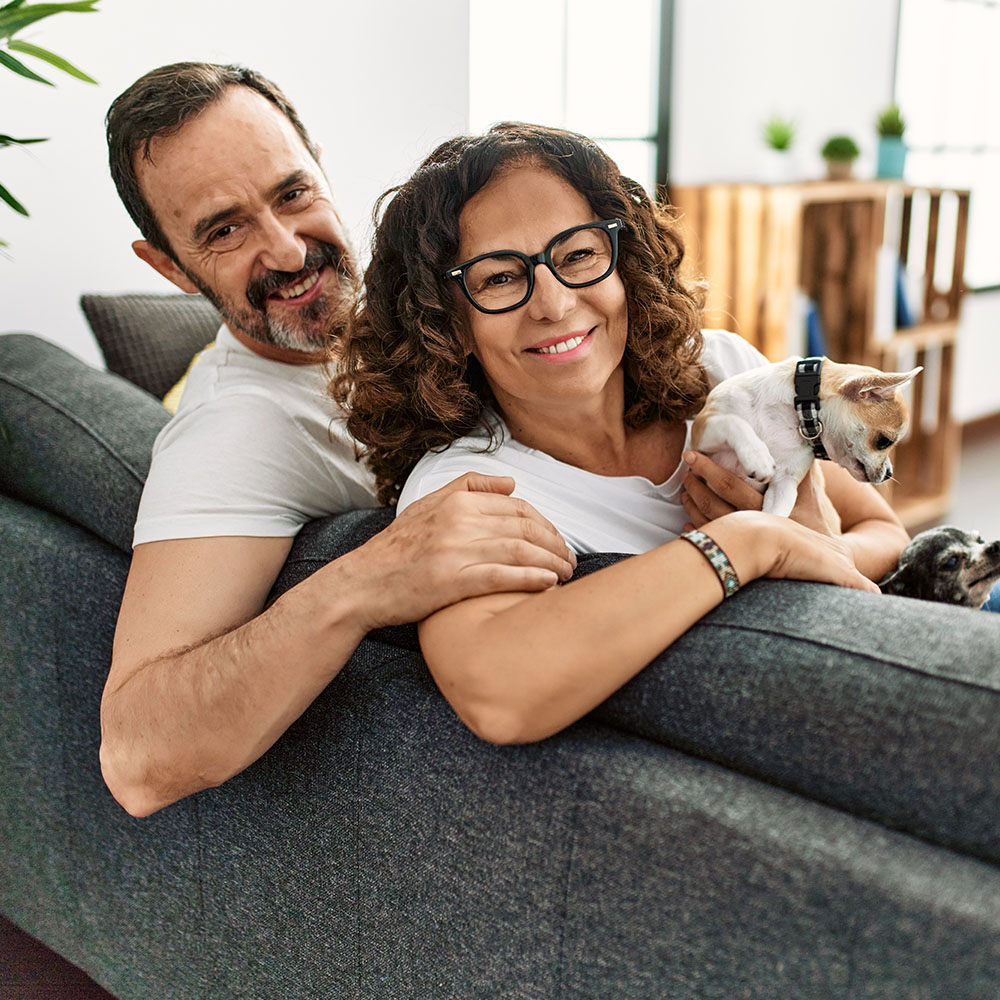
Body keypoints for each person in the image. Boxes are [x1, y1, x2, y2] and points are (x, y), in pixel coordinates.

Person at [330, 121, 928, 746]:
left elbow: (886, 531)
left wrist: (813, 544)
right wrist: (750, 545)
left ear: (625, 262)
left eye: (579, 254)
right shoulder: (468, 487)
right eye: (500, 278)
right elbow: (496, 692)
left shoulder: (726, 370)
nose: (555, 304)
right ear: (445, 322)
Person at [92, 64, 577, 818]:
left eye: (292, 194)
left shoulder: (417, 293)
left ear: (320, 163)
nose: (288, 251)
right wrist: (363, 580)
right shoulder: (234, 431)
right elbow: (136, 759)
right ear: (167, 266)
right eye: (225, 230)